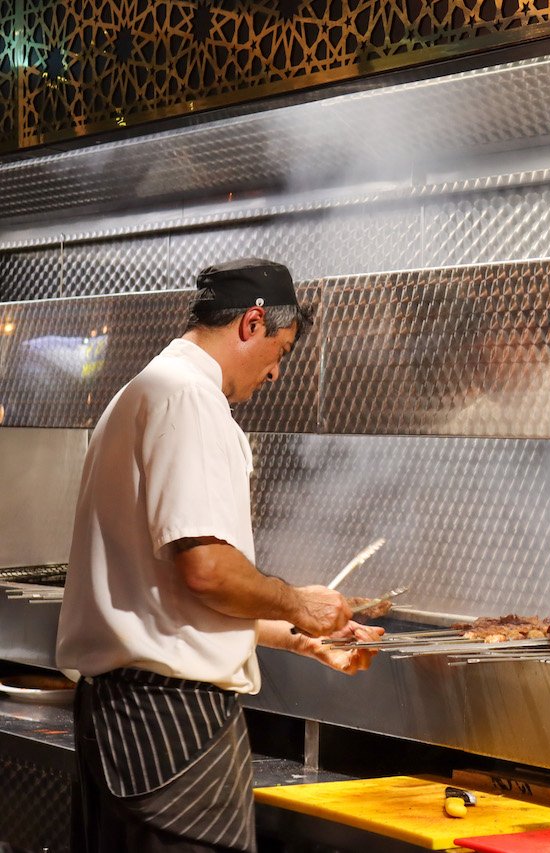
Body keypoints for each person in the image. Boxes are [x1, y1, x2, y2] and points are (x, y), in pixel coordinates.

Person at [55, 258, 384, 853]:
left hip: (125, 716)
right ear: (252, 324)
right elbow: (207, 571)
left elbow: (163, 598)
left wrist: (298, 636)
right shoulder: (190, 398)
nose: (277, 371)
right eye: (281, 350)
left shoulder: (146, 388)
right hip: (171, 725)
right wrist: (298, 603)